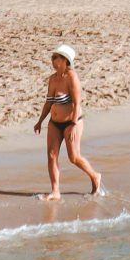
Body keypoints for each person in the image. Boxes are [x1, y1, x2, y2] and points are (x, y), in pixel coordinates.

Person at [34, 46, 101, 198]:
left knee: (74, 157)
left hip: (72, 122)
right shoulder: (53, 79)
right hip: (54, 123)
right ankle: (55, 191)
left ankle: (95, 175)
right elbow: (49, 102)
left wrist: (73, 124)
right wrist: (40, 121)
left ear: (64, 60)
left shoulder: (72, 77)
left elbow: (77, 104)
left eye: (55, 57)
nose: (52, 60)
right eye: (52, 57)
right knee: (51, 155)